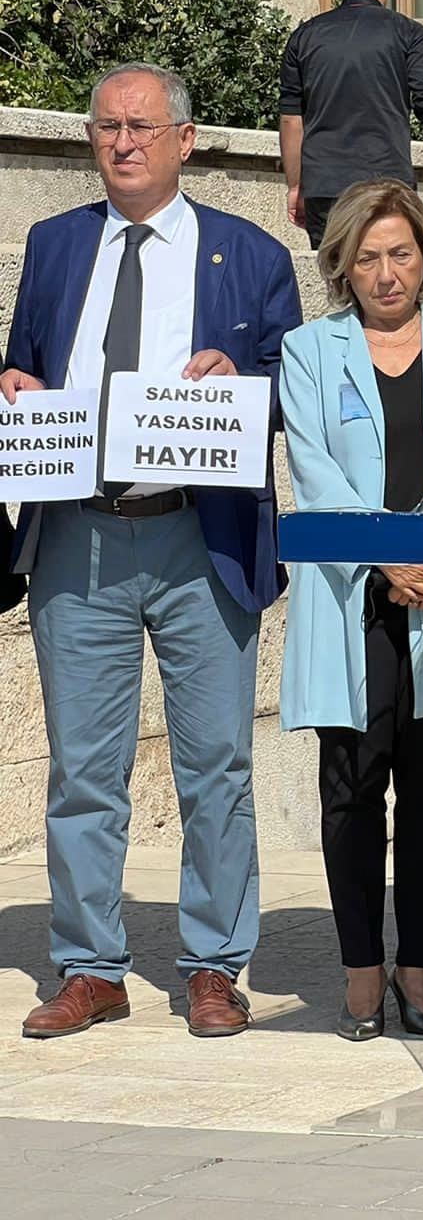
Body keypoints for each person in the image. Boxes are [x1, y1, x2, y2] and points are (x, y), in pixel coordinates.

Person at [7, 62, 300, 1040]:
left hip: (199, 536)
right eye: (105, 128)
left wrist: (239, 376)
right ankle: (92, 967)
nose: (122, 142)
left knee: (214, 764)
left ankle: (213, 965)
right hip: (78, 536)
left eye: (140, 126)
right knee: (83, 771)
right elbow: (29, 365)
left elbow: (290, 388)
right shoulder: (53, 246)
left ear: (184, 139)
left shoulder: (249, 256)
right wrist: (14, 387)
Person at [278, 180, 423, 1041]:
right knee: (352, 788)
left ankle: (418, 967)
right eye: (368, 257)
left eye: (402, 253)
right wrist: (387, 552)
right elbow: (313, 470)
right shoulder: (310, 350)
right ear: (341, 266)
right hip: (352, 594)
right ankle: (360, 971)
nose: (387, 273)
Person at [280, 0, 423, 249]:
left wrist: (295, 185)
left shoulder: (304, 37)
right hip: (388, 183)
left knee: (338, 284)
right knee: (388, 278)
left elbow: (291, 120)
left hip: (325, 185)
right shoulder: (408, 33)